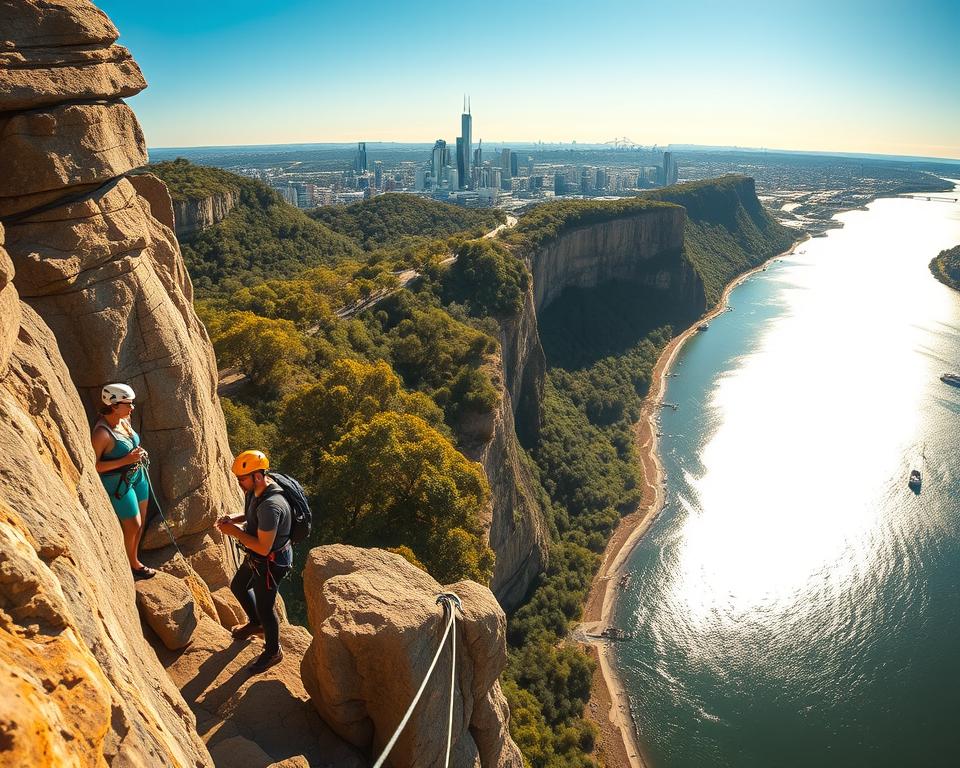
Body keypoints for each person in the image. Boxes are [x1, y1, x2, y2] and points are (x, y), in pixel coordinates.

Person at [217, 449, 293, 675]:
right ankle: (256, 624)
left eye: (242, 479)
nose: (239, 483)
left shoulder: (272, 506)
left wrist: (233, 531)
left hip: (271, 563)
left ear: (257, 476)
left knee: (265, 606)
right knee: (238, 586)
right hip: (258, 557)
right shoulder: (256, 489)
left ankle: (273, 651)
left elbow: (263, 546)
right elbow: (251, 514)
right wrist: (234, 519)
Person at [92, 383, 156, 580]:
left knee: (142, 521)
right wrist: (125, 460)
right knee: (133, 524)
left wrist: (138, 452)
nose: (132, 408)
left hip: (137, 475)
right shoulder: (102, 434)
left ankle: (133, 555)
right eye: (128, 404)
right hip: (118, 483)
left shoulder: (124, 421)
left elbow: (130, 443)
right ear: (113, 405)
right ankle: (133, 564)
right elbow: (95, 466)